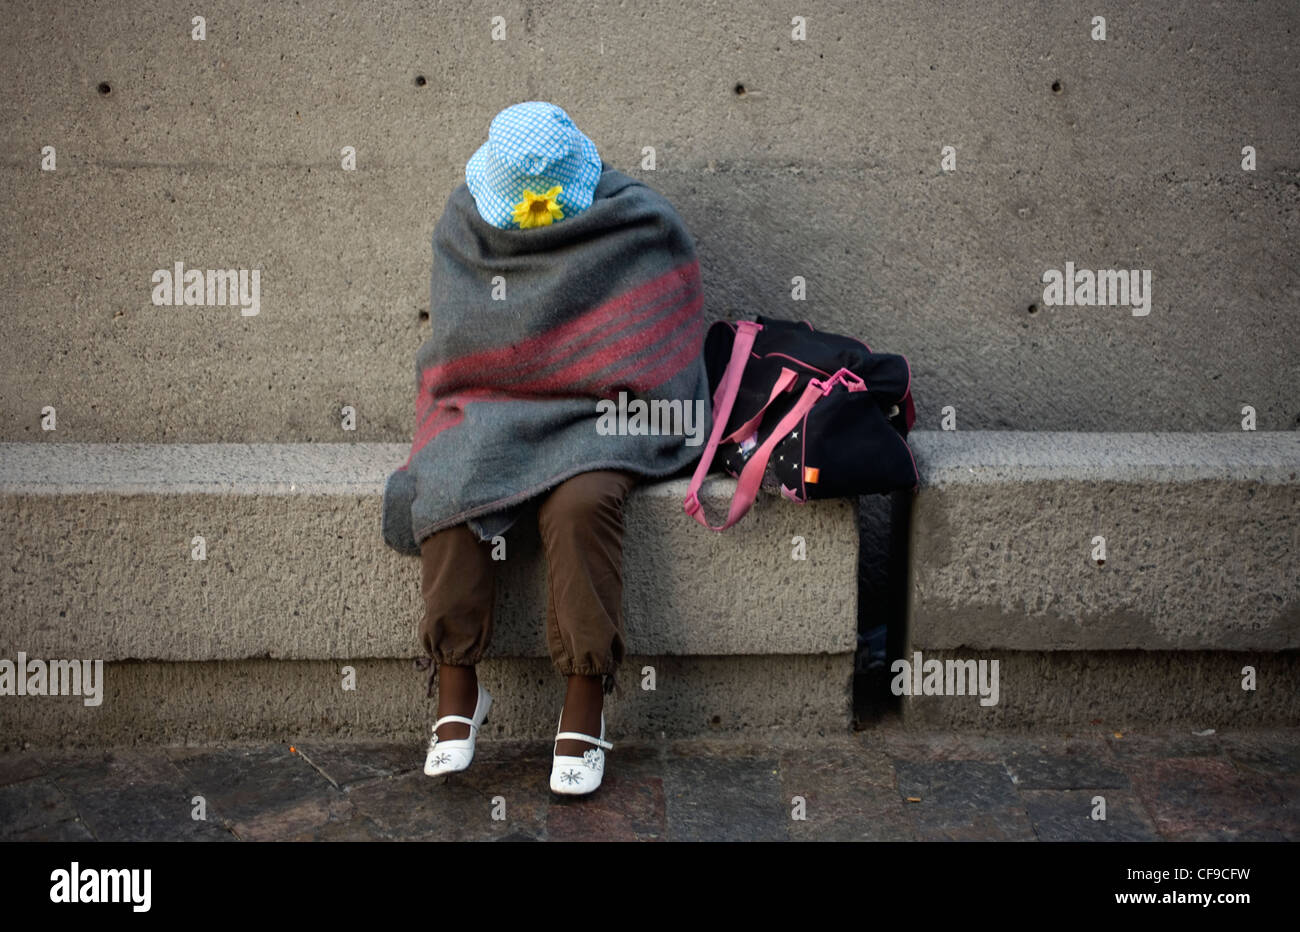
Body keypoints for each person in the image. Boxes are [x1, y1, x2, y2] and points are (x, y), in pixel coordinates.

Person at [381, 101, 710, 796]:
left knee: (581, 503)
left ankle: (586, 696)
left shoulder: (636, 222)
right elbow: (460, 346)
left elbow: (657, 343)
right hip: (491, 404)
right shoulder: (464, 222)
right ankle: (457, 684)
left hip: (603, 411)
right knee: (446, 481)